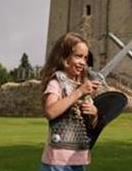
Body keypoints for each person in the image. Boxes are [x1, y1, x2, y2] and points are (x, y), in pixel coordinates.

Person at [40, 32, 100, 171]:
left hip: (79, 157)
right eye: (78, 56)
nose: (83, 62)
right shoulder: (56, 83)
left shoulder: (83, 86)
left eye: (85, 58)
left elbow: (89, 125)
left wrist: (94, 113)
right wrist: (79, 92)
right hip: (58, 160)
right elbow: (50, 111)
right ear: (64, 58)